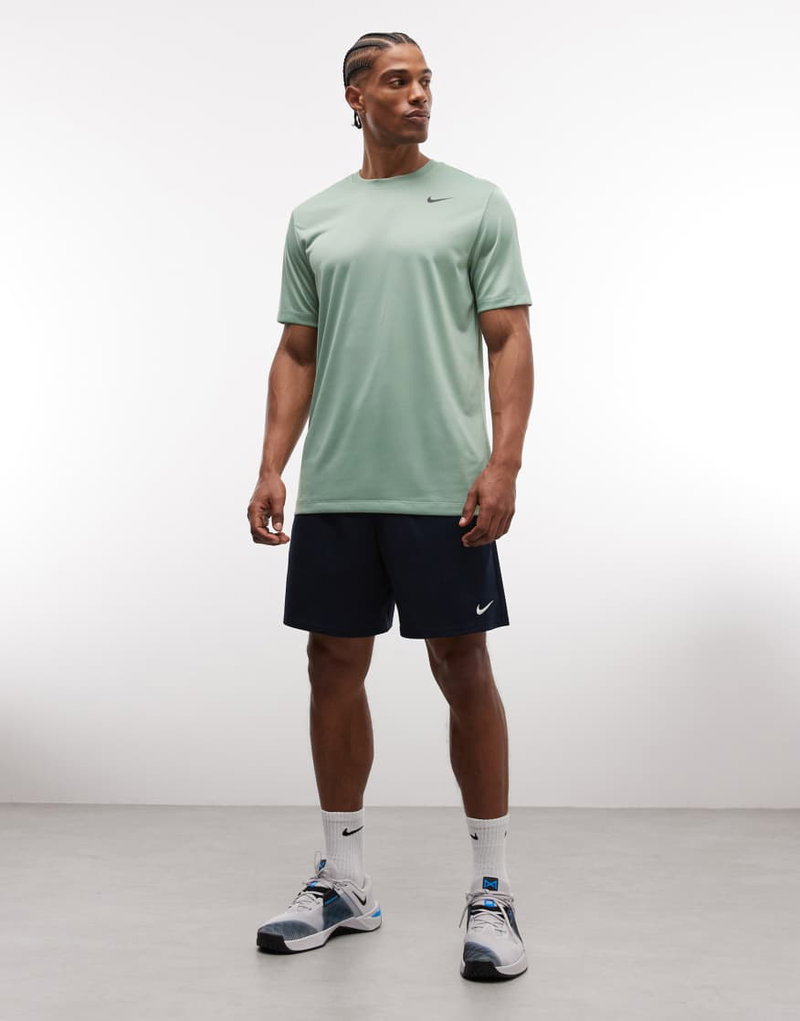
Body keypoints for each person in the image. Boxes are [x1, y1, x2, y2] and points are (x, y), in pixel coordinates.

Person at [246, 31, 534, 982]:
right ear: (355, 97)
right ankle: (345, 881)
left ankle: (492, 889)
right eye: (397, 81)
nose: (418, 95)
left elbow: (508, 338)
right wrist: (272, 465)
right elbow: (297, 350)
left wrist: (504, 462)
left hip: (442, 486)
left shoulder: (476, 202)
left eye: (426, 81)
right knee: (331, 665)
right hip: (339, 487)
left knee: (463, 665)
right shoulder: (315, 217)